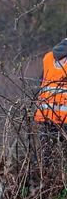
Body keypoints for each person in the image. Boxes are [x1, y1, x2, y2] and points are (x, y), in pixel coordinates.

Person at [34, 38, 67, 166]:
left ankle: (44, 178)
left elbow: (41, 82)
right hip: (64, 118)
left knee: (46, 156)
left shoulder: (48, 57)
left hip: (45, 115)